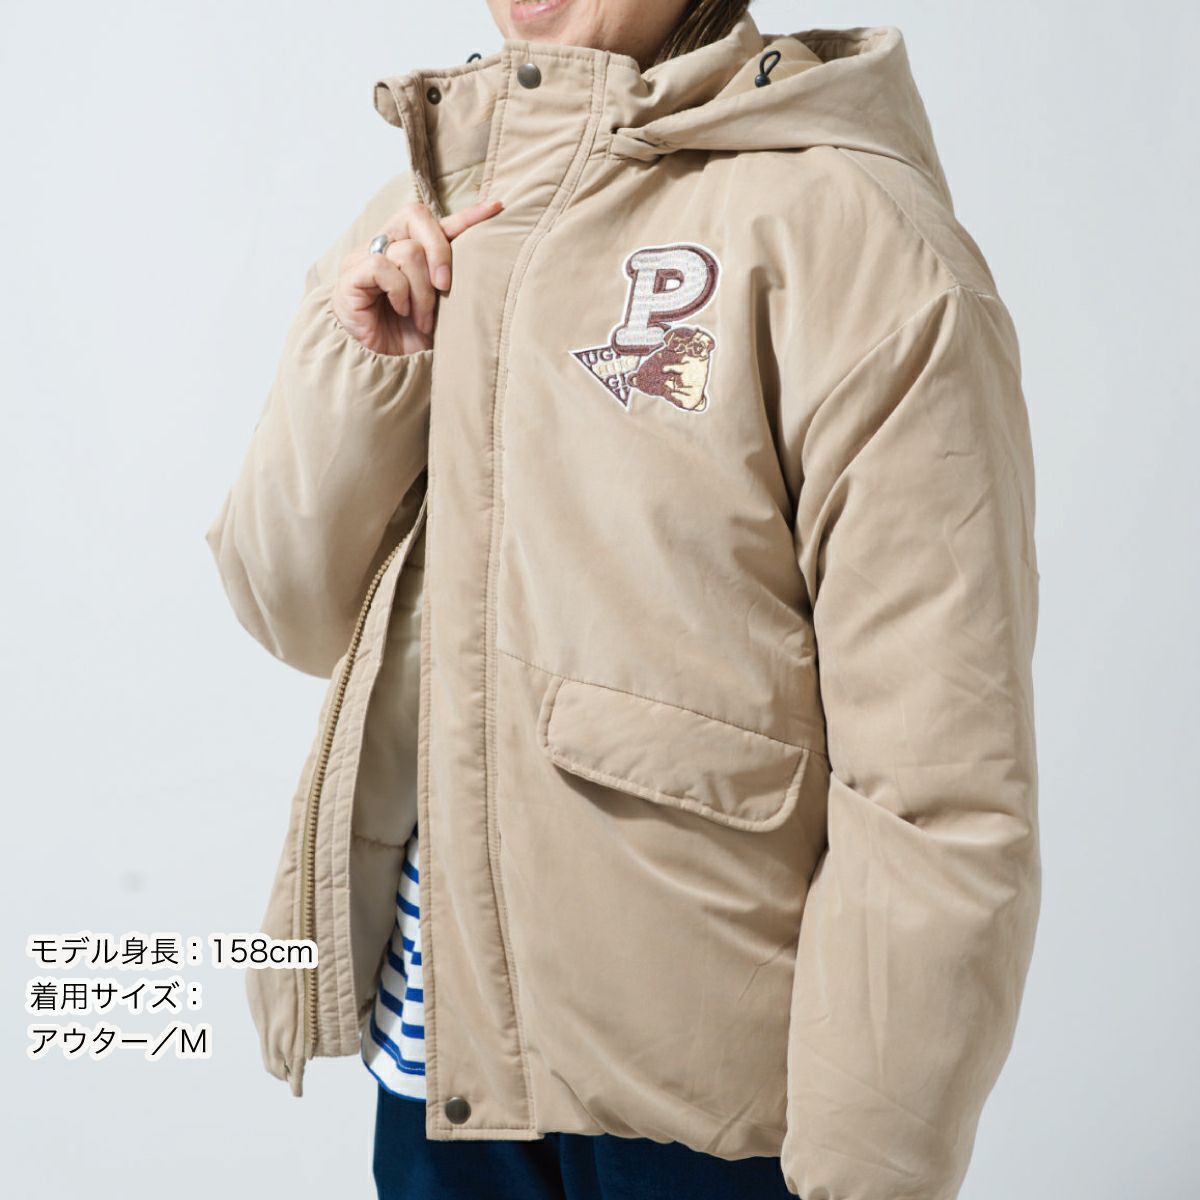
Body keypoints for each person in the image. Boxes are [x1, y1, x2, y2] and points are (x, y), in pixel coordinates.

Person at [204, 1, 1042, 1197]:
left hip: (707, 1122)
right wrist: (368, 370)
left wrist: (868, 1169)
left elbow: (937, 787)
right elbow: (286, 605)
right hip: (438, 1068)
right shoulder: (436, 203)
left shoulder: (850, 237)